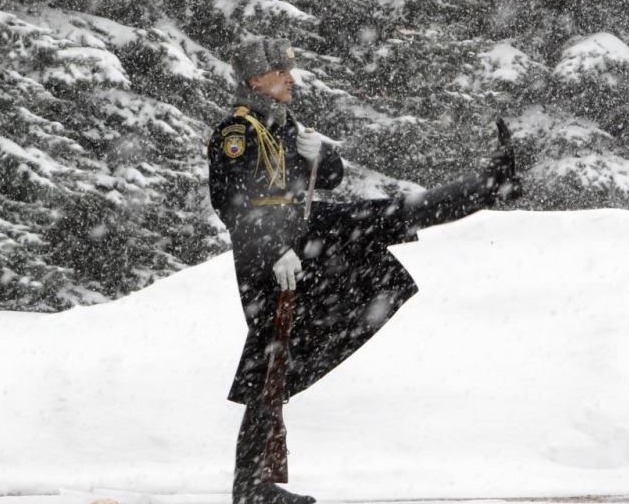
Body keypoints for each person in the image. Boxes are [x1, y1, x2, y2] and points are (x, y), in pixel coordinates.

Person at [207, 38, 521, 504]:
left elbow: (329, 178)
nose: (292, 78)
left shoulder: (283, 125)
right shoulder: (238, 132)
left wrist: (322, 155)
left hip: (301, 232)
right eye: (281, 71)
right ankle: (251, 487)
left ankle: (488, 186)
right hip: (267, 253)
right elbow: (231, 201)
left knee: (386, 215)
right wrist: (275, 251)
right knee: (272, 363)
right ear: (256, 81)